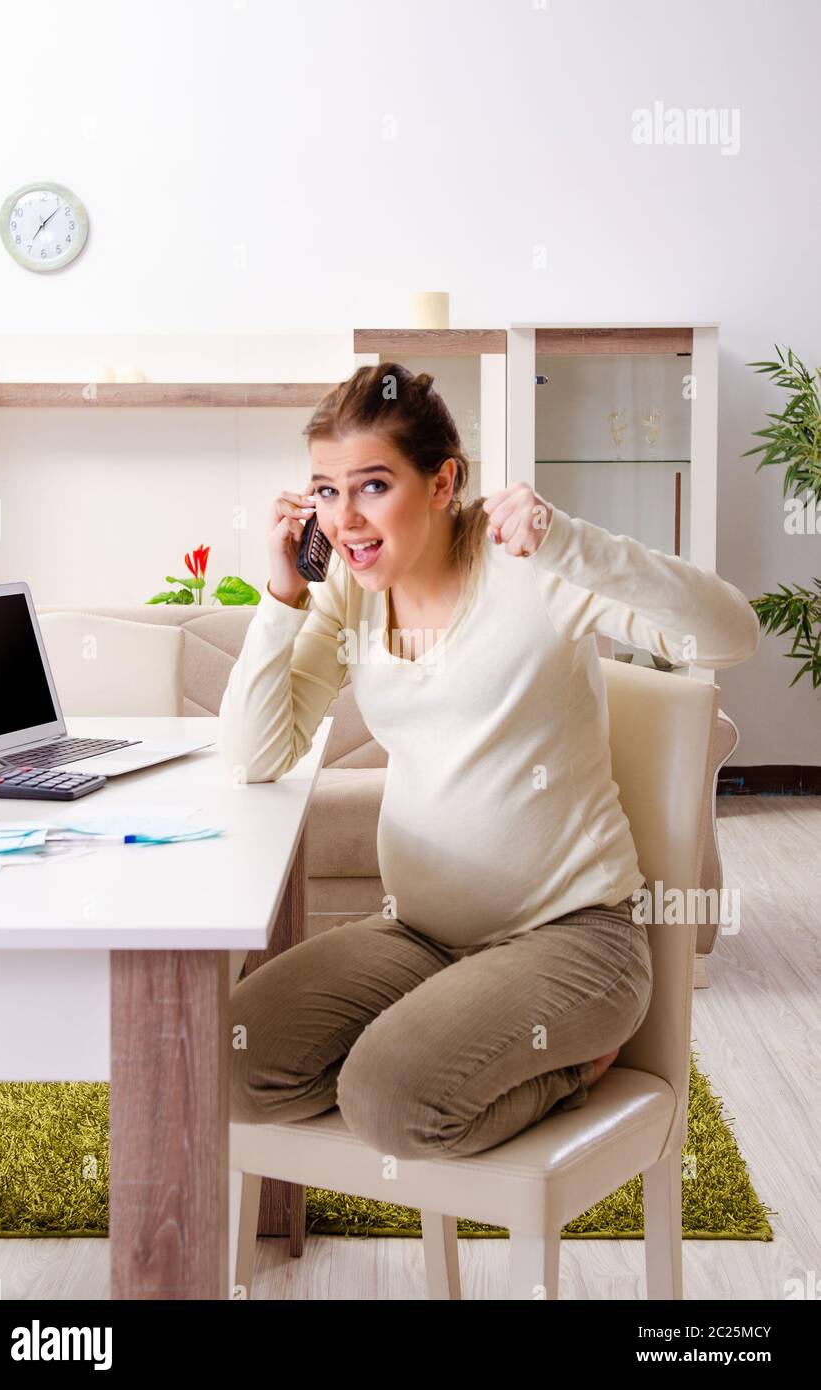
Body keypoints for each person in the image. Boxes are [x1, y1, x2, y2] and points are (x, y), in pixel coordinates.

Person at [220, 361, 759, 1161]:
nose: (344, 518)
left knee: (389, 1096)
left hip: (574, 939)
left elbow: (730, 635)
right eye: (326, 491)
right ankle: (437, 1052)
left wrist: (571, 542)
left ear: (443, 483)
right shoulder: (348, 595)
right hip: (419, 937)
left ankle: (569, 1069)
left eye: (372, 485)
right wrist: (282, 592)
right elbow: (256, 754)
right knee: (228, 1061)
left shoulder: (532, 570)